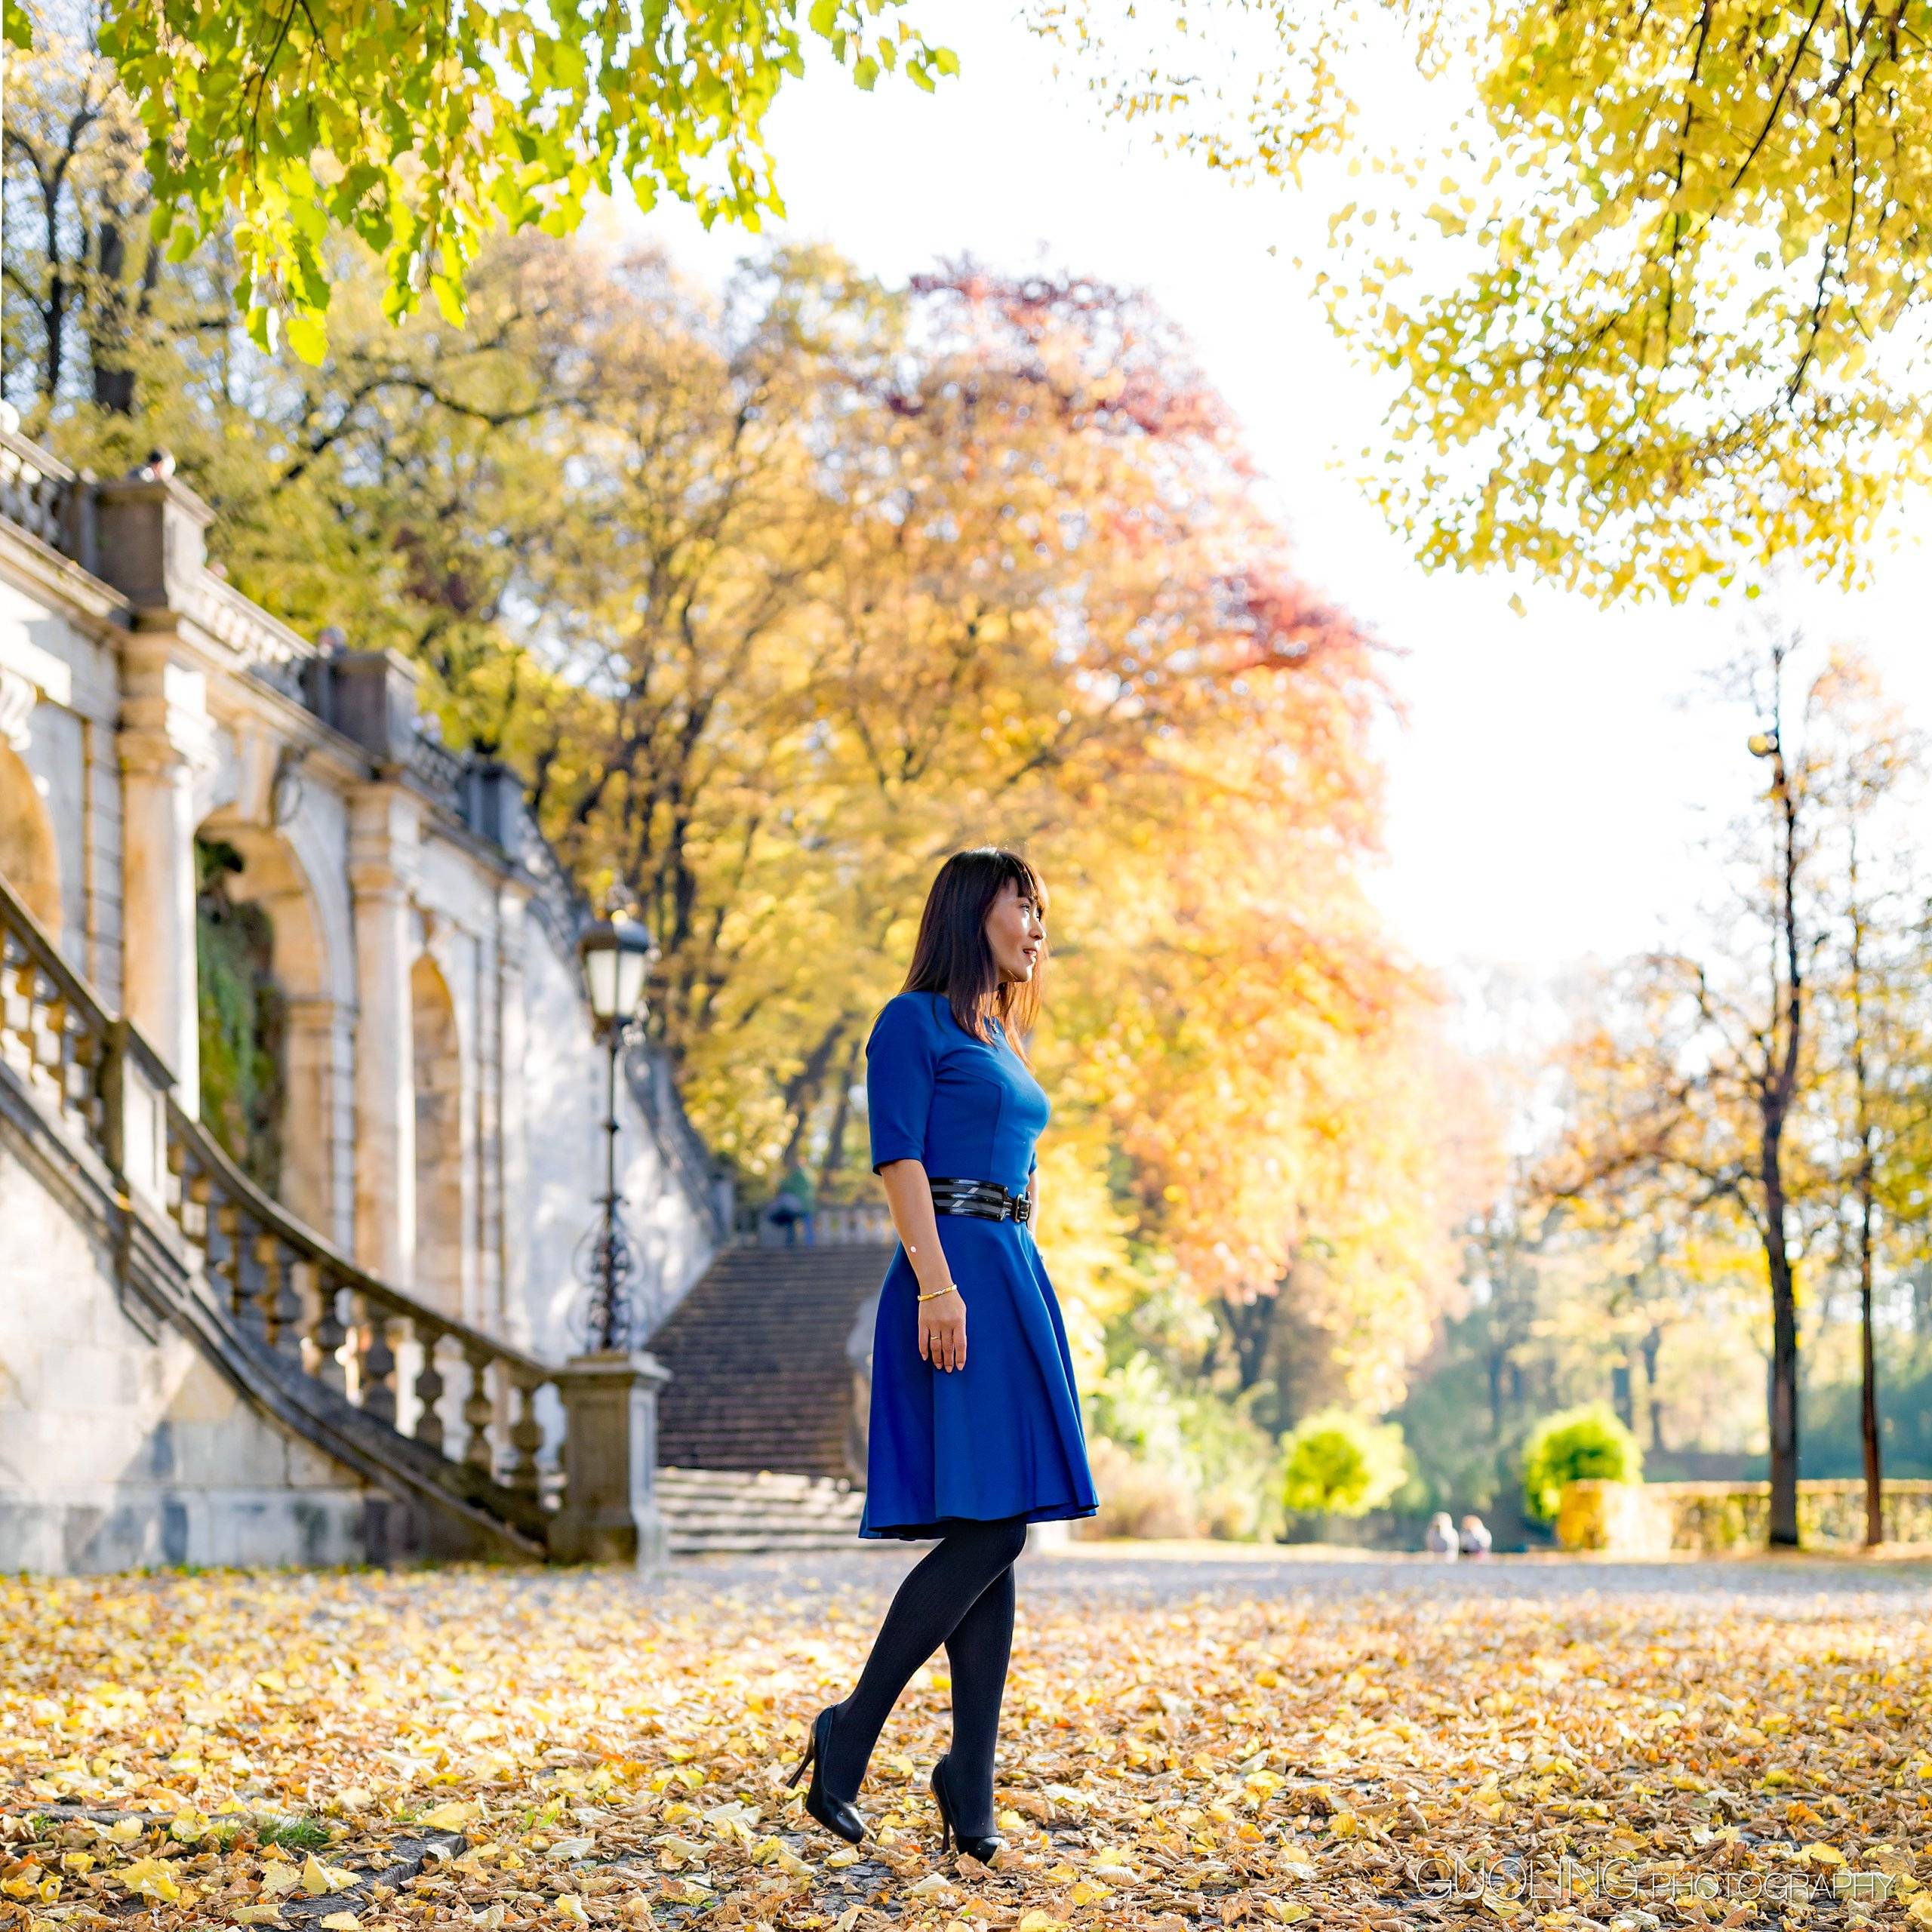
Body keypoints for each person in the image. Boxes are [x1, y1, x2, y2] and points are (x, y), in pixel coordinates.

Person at [788, 848, 1098, 1862]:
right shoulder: (910, 1021)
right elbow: (901, 1155)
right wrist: (938, 1284)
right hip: (951, 1273)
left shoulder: (1002, 1037)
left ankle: (970, 1777)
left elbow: (1023, 1158)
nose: (1039, 928)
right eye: (1025, 907)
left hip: (1009, 1272)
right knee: (993, 1530)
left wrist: (1015, 1274)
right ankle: (855, 1732)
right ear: (977, 912)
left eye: (1044, 912)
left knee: (992, 1522)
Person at [769, 1161, 817, 1246]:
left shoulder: (797, 1176)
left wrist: (777, 1179)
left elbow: (785, 1185)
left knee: (791, 1222)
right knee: (808, 1226)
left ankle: (792, 1243)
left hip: (798, 1207)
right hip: (807, 1206)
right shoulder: (809, 1175)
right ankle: (810, 1245)